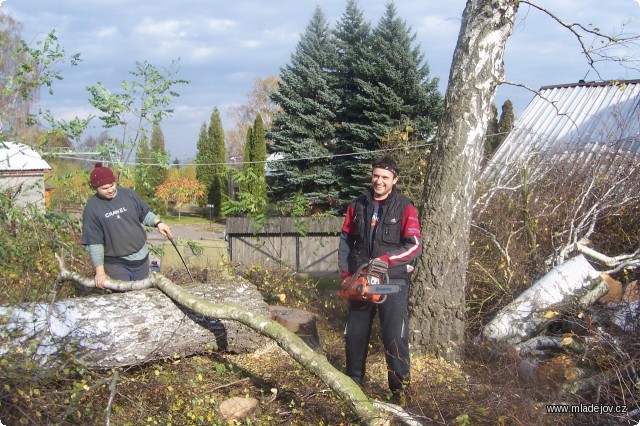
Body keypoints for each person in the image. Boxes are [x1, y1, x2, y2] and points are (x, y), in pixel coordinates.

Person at [337, 155, 422, 405]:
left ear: (394, 179)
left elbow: (415, 245)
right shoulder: (357, 204)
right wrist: (345, 274)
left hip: (391, 283)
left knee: (395, 337)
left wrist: (388, 259)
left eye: (385, 177)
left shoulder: (405, 207)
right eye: (376, 175)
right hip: (360, 282)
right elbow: (345, 239)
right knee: (355, 334)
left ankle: (400, 393)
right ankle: (353, 385)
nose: (379, 181)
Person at [81, 162, 174, 288]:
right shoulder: (92, 208)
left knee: (142, 296)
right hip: (116, 265)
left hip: (141, 259)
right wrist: (100, 272)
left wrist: (158, 223)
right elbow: (95, 243)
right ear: (95, 188)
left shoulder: (128, 195)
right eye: (104, 188)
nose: (110, 190)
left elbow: (144, 213)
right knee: (123, 300)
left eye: (112, 185)